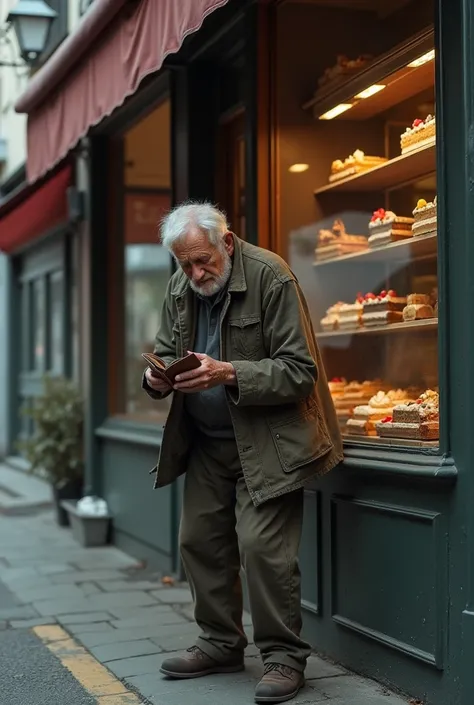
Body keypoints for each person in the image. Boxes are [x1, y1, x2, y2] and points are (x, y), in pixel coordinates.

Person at [143, 202, 343, 704]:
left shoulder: (272, 277)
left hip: (269, 439)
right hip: (208, 443)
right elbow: (167, 347)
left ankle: (283, 657)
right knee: (197, 541)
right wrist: (156, 376)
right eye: (185, 264)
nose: (195, 273)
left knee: (263, 551)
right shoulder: (180, 287)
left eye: (203, 260)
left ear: (226, 243)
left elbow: (301, 372)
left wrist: (228, 372)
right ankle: (219, 643)